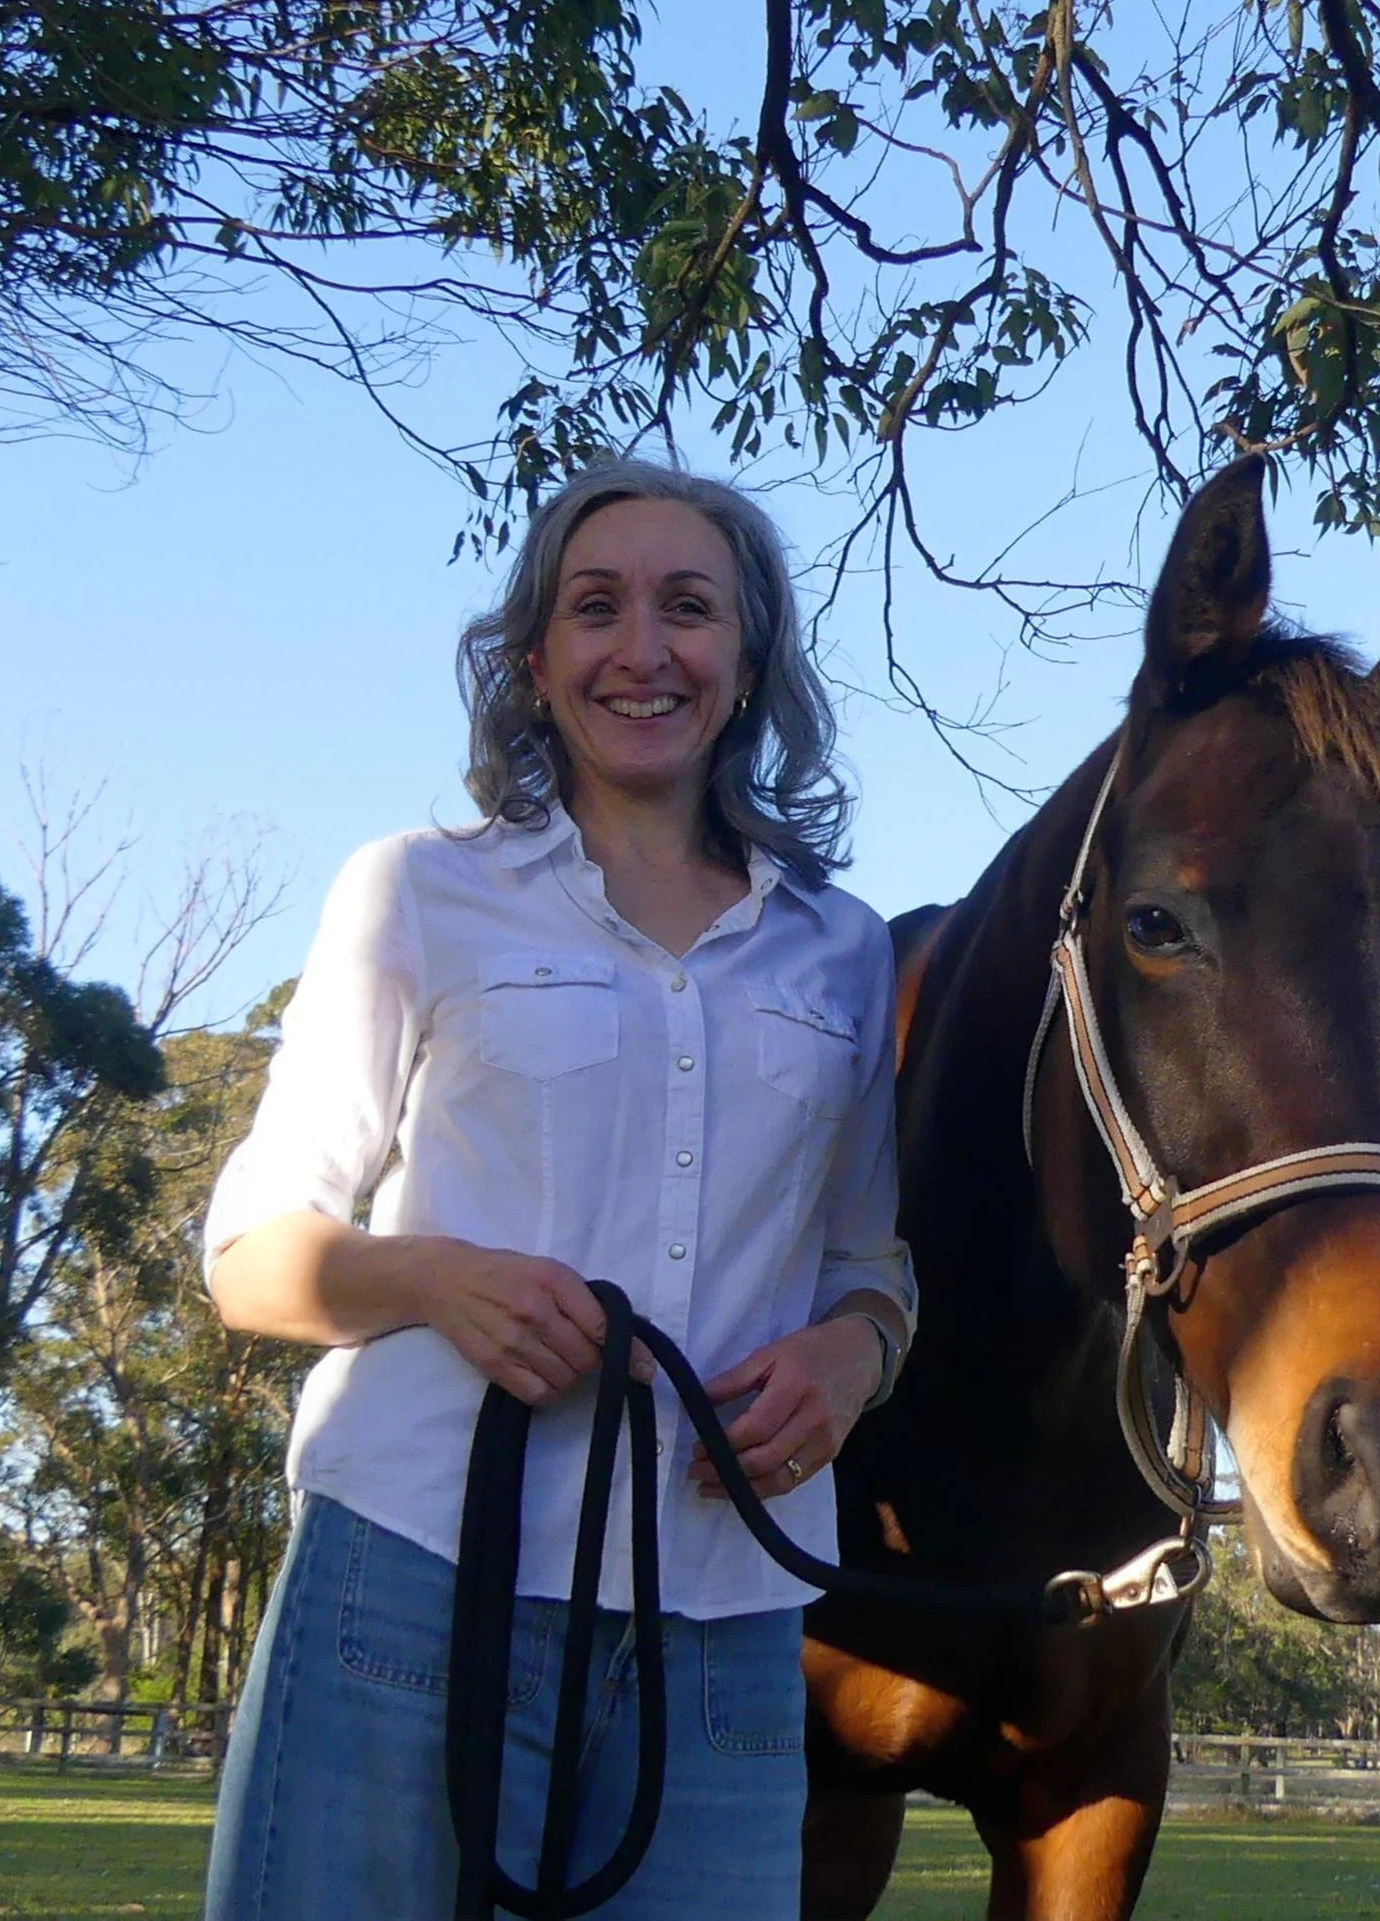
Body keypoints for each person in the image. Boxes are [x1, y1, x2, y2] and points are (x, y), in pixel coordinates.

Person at [199, 460, 914, 1920]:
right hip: (411, 1585)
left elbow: (871, 1264)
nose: (642, 649)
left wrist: (854, 1359)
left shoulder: (842, 949)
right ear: (534, 660)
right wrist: (436, 1279)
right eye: (596, 608)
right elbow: (246, 1253)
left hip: (722, 1628)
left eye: (689, 608)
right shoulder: (416, 890)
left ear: (750, 660)